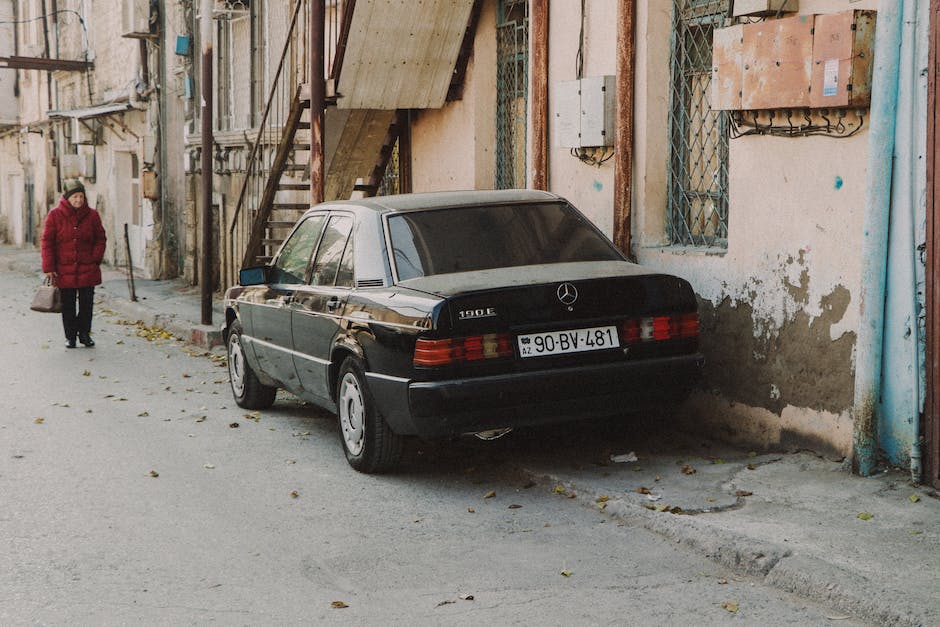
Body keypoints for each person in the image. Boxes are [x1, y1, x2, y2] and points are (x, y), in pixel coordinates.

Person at [41, 179, 107, 349]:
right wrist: (49, 267)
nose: (78, 200)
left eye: (81, 197)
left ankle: (84, 334)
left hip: (87, 267)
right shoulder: (55, 215)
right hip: (64, 268)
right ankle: (70, 336)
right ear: (67, 198)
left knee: (87, 304)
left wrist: (95, 258)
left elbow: (100, 238)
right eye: (75, 197)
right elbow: (47, 241)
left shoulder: (92, 215)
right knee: (68, 304)